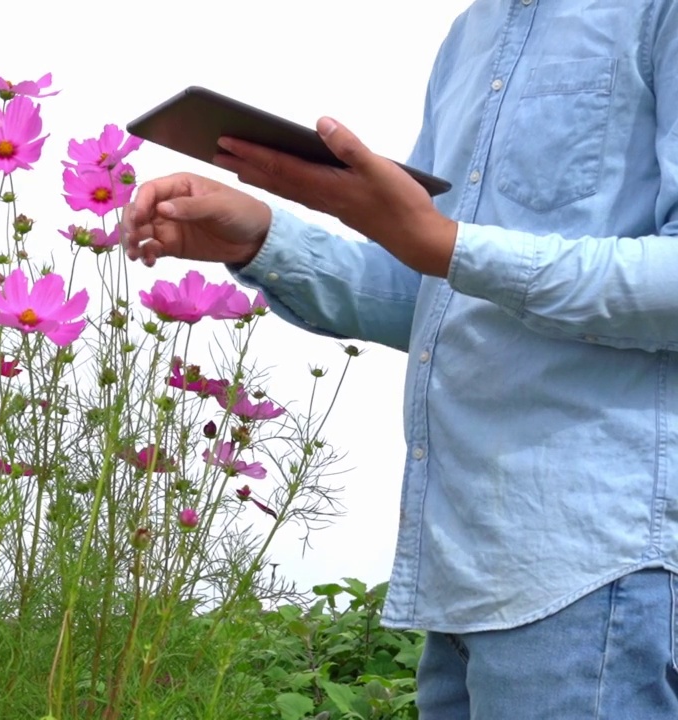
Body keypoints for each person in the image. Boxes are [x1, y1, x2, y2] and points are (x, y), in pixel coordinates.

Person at [124, 1, 678, 717]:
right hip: (459, 575)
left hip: (593, 570)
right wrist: (260, 239)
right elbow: (435, 299)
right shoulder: (470, 38)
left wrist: (447, 246)